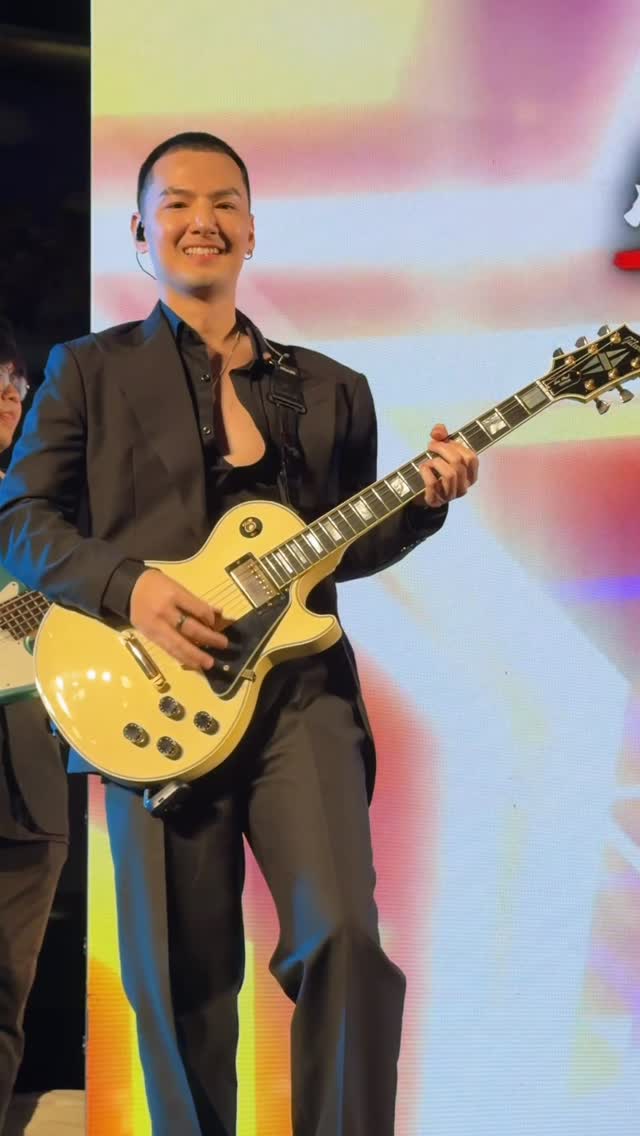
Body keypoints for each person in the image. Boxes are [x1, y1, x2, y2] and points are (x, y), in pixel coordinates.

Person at [0, 133, 478, 1136]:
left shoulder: (333, 386)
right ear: (142, 234)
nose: (202, 220)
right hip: (151, 695)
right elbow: (21, 519)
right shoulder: (87, 371)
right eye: (176, 203)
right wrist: (128, 588)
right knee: (179, 985)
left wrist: (426, 503)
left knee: (345, 939)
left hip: (303, 701)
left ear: (252, 230)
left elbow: (340, 548)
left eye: (224, 202)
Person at [0, 320, 68, 1131]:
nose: (6, 399)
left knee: (5, 989)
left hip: (28, 771)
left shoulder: (46, 513)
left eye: (14, 385)